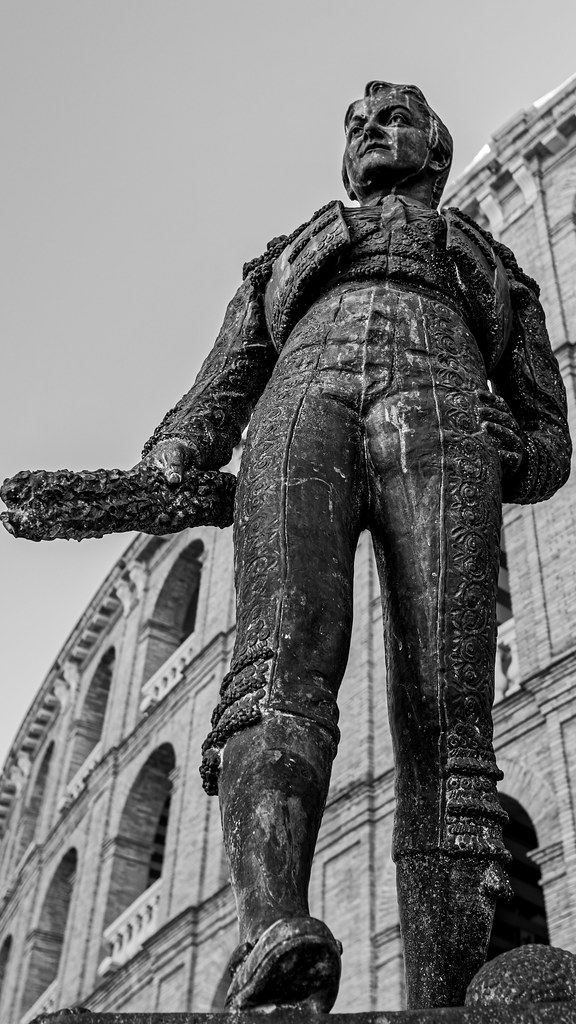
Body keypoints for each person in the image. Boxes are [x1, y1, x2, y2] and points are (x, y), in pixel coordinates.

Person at [141, 82, 571, 1010]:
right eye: (355, 127)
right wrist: (177, 450)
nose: (368, 130)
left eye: (393, 119)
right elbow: (226, 377)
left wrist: (525, 451)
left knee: (449, 720)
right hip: (301, 410)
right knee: (275, 664)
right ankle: (272, 932)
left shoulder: (494, 265)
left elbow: (549, 436)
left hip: (447, 416)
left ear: (436, 151)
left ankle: (444, 989)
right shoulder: (287, 257)